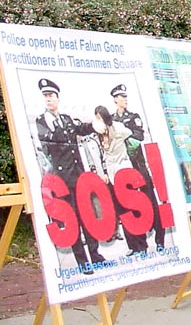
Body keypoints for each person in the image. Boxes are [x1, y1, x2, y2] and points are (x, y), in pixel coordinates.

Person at [35, 78, 105, 273]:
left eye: (51, 95)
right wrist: (55, 127)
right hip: (63, 181)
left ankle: (95, 255)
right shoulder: (42, 121)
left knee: (87, 216)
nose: (48, 99)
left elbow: (80, 129)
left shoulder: (66, 119)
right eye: (45, 96)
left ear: (58, 98)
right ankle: (83, 261)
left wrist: (93, 125)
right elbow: (48, 142)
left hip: (78, 177)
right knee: (73, 220)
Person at [110, 84, 165, 251]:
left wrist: (123, 140)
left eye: (125, 96)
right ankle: (138, 246)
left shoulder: (133, 117)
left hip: (138, 167)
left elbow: (139, 136)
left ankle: (160, 240)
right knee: (129, 207)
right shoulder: (112, 120)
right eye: (121, 97)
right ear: (115, 99)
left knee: (150, 203)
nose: (125, 99)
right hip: (122, 170)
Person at [93, 105, 148, 255]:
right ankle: (133, 246)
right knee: (122, 211)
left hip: (124, 170)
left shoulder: (118, 128)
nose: (98, 121)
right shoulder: (99, 135)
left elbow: (133, 134)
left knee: (133, 208)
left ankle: (142, 245)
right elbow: (103, 155)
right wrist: (104, 172)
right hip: (111, 175)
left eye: (100, 117)